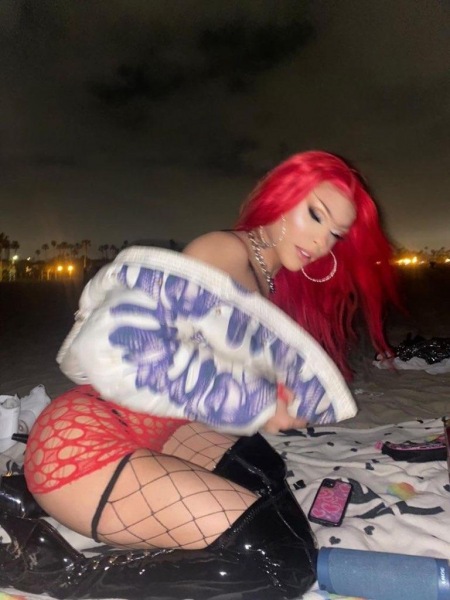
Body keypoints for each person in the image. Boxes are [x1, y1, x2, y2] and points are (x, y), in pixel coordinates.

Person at [1, 151, 399, 600]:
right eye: (316, 215)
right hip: (84, 442)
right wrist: (256, 403)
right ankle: (56, 570)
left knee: (266, 471)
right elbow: (134, 350)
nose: (322, 241)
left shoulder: (269, 274)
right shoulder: (222, 251)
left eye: (336, 233)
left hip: (157, 431)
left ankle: (21, 494)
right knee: (283, 564)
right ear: (283, 197)